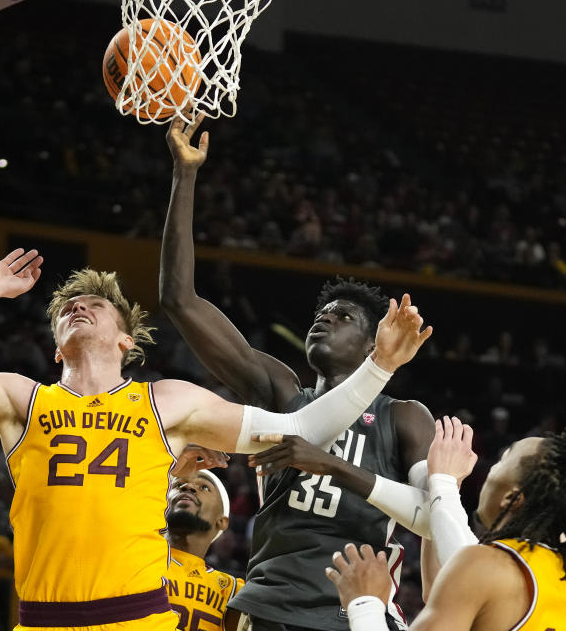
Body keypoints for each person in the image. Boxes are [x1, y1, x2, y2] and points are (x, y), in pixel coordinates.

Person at [0, 248, 433, 630]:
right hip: (44, 615)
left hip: (138, 615)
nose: (78, 308)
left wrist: (379, 368)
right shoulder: (21, 400)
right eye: (67, 309)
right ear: (54, 348)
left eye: (95, 306)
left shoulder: (167, 400)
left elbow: (302, 429)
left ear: (126, 340)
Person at [161, 116, 436, 631]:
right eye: (321, 311)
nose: (324, 317)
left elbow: (434, 516)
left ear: (376, 340)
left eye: (343, 315)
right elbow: (180, 300)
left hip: (355, 611)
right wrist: (185, 175)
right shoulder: (282, 392)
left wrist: (331, 466)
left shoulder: (404, 418)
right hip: (267, 607)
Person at [325, 391, 566, 631]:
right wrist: (441, 492)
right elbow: (456, 597)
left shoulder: (491, 566)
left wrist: (366, 603)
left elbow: (471, 571)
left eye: (505, 458)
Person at [166, 471, 244, 631]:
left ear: (221, 521)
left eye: (204, 487)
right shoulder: (133, 560)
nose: (188, 486)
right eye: (178, 485)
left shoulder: (233, 590)